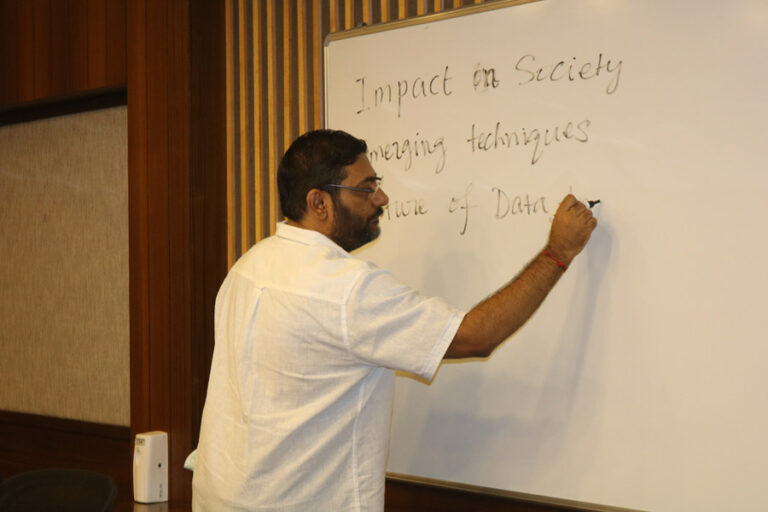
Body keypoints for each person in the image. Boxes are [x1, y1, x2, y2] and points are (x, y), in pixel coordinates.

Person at [192, 129, 596, 511]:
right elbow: (476, 336)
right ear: (319, 203)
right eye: (366, 188)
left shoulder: (247, 267)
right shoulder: (346, 289)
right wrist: (558, 252)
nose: (382, 198)